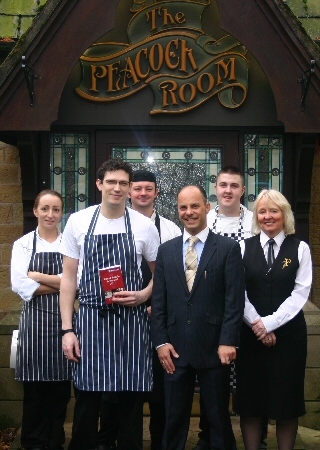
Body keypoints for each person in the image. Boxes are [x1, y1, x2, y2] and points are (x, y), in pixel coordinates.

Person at [59, 159, 160, 450]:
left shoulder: (143, 226)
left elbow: (160, 274)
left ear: (129, 189)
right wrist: (68, 330)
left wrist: (143, 295)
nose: (117, 188)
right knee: (88, 400)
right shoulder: (78, 222)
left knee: (130, 400)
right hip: (91, 320)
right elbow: (68, 279)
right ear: (99, 184)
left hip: (132, 322)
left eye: (123, 183)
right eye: (111, 181)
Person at [151, 185, 245, 450]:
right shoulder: (166, 251)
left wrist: (228, 341)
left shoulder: (228, 249)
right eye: (183, 207)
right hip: (174, 350)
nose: (189, 212)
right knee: (173, 418)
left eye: (194, 206)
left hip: (214, 348)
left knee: (217, 418)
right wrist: (160, 342)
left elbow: (234, 301)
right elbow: (159, 302)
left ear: (207, 207)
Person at [97, 169, 181, 450]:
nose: (142, 193)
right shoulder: (109, 224)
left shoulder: (170, 229)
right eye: (138, 188)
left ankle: (160, 444)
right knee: (115, 388)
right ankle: (109, 442)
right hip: (118, 319)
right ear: (130, 192)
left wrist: (153, 305)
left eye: (149, 189)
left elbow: (175, 278)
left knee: (159, 391)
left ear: (157, 192)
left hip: (158, 321)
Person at [236, 189, 312, 450]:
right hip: (250, 337)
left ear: (284, 214)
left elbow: (300, 293)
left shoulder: (299, 248)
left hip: (288, 338)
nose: (268, 216)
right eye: (262, 211)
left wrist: (270, 323)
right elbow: (238, 292)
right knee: (251, 403)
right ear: (256, 216)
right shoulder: (243, 247)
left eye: (274, 211)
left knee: (286, 403)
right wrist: (258, 324)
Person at [194, 166, 253, 450]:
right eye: (223, 185)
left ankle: (256, 437)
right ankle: (208, 436)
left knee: (248, 381)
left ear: (243, 190)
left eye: (234, 185)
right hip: (212, 315)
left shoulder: (255, 222)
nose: (227, 190)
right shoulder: (203, 221)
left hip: (250, 313)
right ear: (215, 188)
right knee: (212, 382)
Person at [11, 189, 72, 450]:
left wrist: (38, 276)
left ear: (61, 213)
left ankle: (55, 442)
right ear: (35, 211)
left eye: (56, 209)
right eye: (45, 208)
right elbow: (20, 285)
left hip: (64, 324)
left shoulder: (69, 244)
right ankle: (33, 443)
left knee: (60, 392)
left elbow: (78, 284)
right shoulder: (23, 244)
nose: (50, 214)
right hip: (34, 327)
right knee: (34, 395)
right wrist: (62, 283)